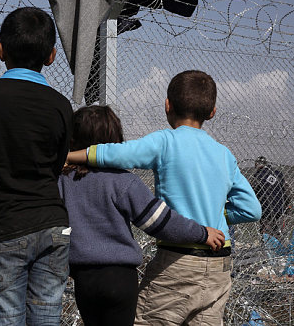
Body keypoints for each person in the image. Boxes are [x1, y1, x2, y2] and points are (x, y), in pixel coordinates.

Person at [67, 70, 262, 325]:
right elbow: (252, 209)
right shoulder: (224, 154)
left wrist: (72, 156)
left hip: (179, 262)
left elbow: (120, 155)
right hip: (219, 267)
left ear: (167, 106)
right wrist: (216, 211)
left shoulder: (165, 141)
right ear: (212, 112)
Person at [59, 105, 226, 326]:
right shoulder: (123, 182)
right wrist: (201, 232)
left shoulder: (62, 182)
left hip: (82, 277)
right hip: (119, 277)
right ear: (114, 140)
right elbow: (161, 223)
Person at [0, 7, 73, 326]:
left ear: (0, 50)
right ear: (51, 56)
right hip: (54, 225)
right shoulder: (61, 105)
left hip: (6, 226)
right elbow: (56, 163)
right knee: (47, 316)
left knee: (7, 318)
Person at [253, 156, 287, 236]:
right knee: (279, 233)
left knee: (266, 234)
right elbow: (286, 190)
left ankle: (266, 247)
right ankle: (279, 246)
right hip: (280, 208)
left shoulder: (258, 176)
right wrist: (286, 204)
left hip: (266, 209)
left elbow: (252, 192)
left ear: (257, 164)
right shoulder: (278, 174)